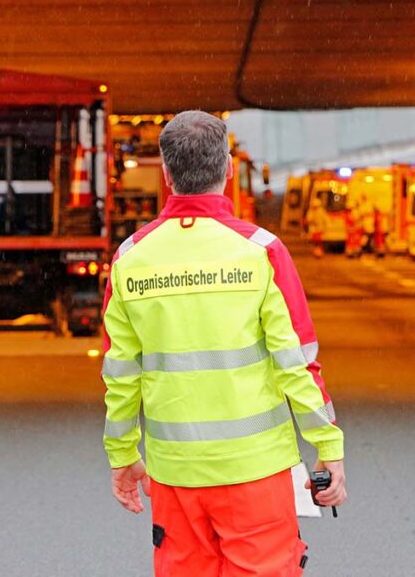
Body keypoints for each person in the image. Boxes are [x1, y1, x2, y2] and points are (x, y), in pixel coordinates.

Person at [101, 111, 346, 576]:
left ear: (167, 173)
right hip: (256, 473)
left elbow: (120, 375)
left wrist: (123, 455)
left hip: (175, 476)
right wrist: (327, 446)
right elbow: (296, 364)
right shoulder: (262, 251)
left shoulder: (130, 259)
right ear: (229, 169)